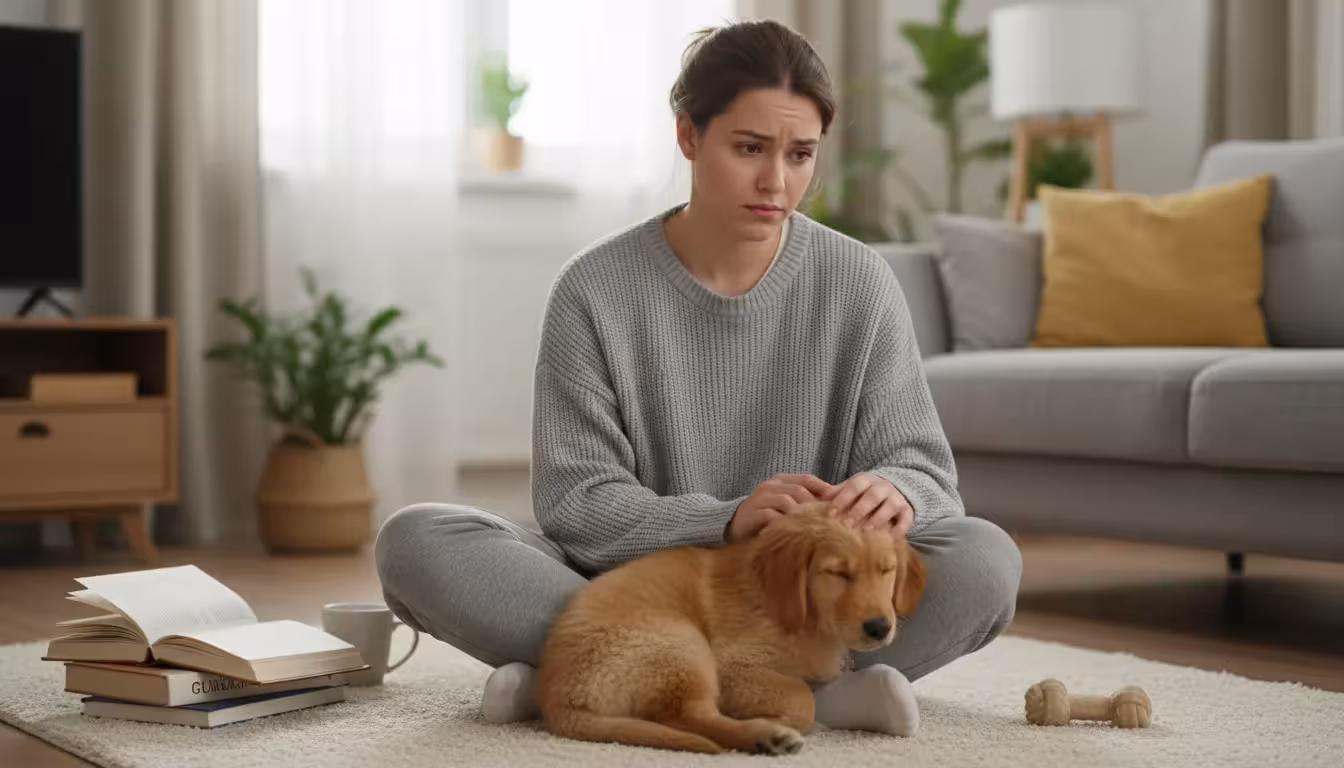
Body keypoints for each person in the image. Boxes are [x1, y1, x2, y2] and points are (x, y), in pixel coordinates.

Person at [374, 18, 1021, 736]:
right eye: (749, 148)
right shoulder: (593, 289)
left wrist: (897, 490)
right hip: (642, 594)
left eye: (800, 154)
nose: (777, 181)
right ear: (689, 135)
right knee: (417, 541)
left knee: (986, 561)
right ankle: (796, 690)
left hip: (803, 608)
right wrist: (726, 518)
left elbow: (930, 478)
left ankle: (600, 677)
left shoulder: (860, 283)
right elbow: (576, 503)